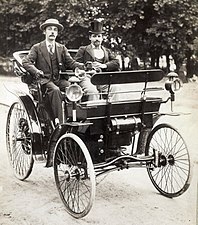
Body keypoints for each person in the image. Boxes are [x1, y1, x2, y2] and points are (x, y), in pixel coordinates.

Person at [22, 18, 84, 124]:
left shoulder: (61, 48)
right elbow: (26, 62)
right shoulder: (37, 48)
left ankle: (77, 117)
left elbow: (71, 63)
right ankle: (60, 123)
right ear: (44, 31)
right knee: (55, 91)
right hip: (44, 81)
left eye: (55, 30)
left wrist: (83, 66)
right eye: (49, 29)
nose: (52, 32)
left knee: (75, 88)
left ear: (57, 33)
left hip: (58, 79)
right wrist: (36, 71)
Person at [75, 19, 120, 101]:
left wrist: (104, 65)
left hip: (102, 78)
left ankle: (112, 112)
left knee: (115, 88)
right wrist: (87, 68)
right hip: (87, 78)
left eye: (99, 36)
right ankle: (95, 113)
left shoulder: (106, 51)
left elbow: (116, 62)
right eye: (94, 36)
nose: (97, 39)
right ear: (90, 38)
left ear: (102, 38)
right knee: (92, 91)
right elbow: (76, 64)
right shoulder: (83, 49)